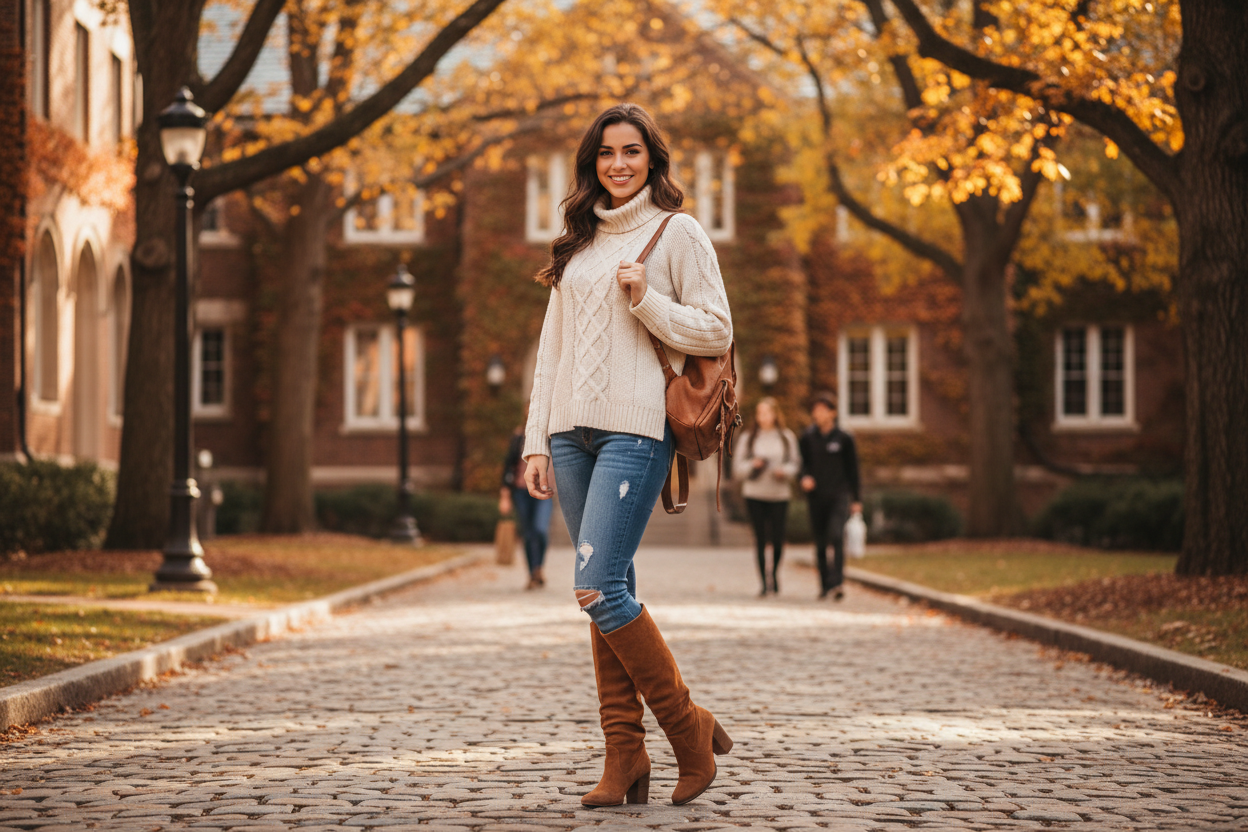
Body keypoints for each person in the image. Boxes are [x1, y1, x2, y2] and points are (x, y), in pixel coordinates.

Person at [522, 103, 734, 808]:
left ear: (652, 159)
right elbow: (550, 355)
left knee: (596, 587)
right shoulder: (577, 243)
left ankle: (687, 729)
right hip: (570, 435)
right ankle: (625, 759)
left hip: (634, 431)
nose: (618, 164)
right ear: (591, 164)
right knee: (606, 591)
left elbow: (716, 329)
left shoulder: (679, 233)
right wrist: (535, 442)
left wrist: (648, 304)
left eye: (632, 152)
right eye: (606, 153)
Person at [798, 391, 862, 601]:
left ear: (832, 413)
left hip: (839, 495)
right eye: (815, 410)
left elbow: (853, 470)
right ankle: (824, 584)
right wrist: (804, 478)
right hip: (816, 497)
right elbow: (802, 465)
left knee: (836, 535)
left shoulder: (844, 438)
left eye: (822, 410)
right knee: (820, 542)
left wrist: (857, 499)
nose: (818, 414)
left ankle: (838, 581)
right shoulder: (808, 437)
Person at [732, 398, 799, 596]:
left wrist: (784, 471)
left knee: (778, 539)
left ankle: (774, 574)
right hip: (755, 494)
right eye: (760, 413)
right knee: (760, 539)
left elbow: (795, 464)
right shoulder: (749, 438)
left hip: (779, 494)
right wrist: (753, 465)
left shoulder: (787, 437)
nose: (763, 417)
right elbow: (737, 469)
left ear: (776, 414)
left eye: (767, 413)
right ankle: (763, 582)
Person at [500, 420, 553, 590]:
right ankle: (533, 573)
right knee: (528, 534)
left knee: (540, 530)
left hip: (545, 491)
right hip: (521, 492)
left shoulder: (552, 436)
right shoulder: (518, 438)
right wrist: (505, 496)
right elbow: (508, 467)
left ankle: (538, 567)